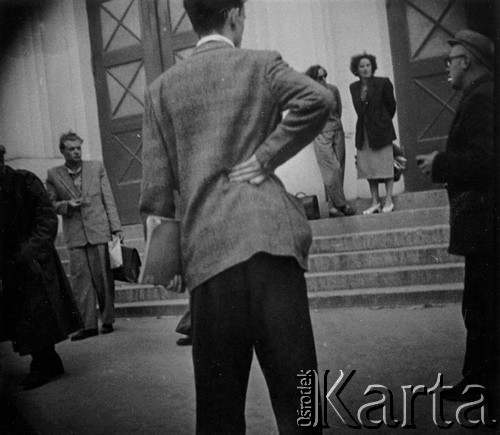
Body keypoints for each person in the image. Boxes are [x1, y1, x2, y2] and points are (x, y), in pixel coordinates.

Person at [139, 0, 332, 432]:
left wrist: (169, 262)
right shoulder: (261, 64)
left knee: (219, 408)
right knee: (301, 397)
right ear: (234, 15)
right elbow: (318, 99)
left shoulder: (160, 90)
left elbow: (154, 193)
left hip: (208, 255)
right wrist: (265, 157)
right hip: (272, 243)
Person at [416, 30, 497, 414]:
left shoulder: (483, 97)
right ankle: (477, 381)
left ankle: (487, 392)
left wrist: (440, 164)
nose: (445, 66)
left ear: (466, 60)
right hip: (484, 225)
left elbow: (486, 161)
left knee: (485, 308)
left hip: (487, 226)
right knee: (479, 305)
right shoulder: (481, 93)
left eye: (450, 60)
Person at [0, 145, 83, 390]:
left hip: (34, 261)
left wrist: (29, 251)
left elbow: (46, 218)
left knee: (38, 313)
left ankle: (42, 364)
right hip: (10, 266)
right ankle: (49, 361)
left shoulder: (23, 181)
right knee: (24, 316)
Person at [46, 132, 122, 341]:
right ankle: (87, 325)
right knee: (81, 281)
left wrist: (116, 227)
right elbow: (48, 205)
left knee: (103, 279)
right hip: (76, 234)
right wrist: (65, 206)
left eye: (78, 147)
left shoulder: (96, 167)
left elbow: (108, 198)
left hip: (98, 229)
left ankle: (107, 320)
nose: (76, 152)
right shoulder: (53, 174)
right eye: (71, 148)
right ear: (63, 151)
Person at [349, 53, 397, 214]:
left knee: (385, 165)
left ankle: (388, 200)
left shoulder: (383, 83)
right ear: (356, 69)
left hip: (381, 130)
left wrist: (381, 122)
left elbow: (391, 106)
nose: (365, 69)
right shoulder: (353, 87)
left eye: (368, 65)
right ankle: (375, 201)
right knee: (369, 167)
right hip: (363, 131)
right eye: (361, 66)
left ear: (373, 67)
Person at [305, 65, 355, 218]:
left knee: (339, 168)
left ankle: (333, 208)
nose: (323, 80)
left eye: (325, 76)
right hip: (320, 134)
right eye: (319, 77)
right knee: (331, 169)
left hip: (337, 131)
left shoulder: (333, 89)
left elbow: (338, 111)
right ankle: (342, 204)